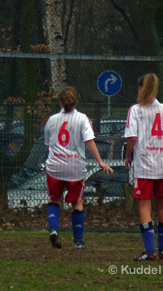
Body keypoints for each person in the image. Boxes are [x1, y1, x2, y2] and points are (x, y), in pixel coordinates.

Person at [44, 86, 113, 249]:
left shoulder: (52, 120)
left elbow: (48, 144)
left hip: (55, 166)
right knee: (77, 202)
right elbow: (90, 141)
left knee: (54, 199)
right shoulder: (82, 118)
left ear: (60, 103)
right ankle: (78, 241)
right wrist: (100, 162)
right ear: (76, 102)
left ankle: (53, 230)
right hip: (75, 167)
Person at [124, 73, 163, 261]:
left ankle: (150, 251)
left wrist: (128, 155)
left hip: (145, 165)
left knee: (145, 207)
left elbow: (132, 138)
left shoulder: (136, 110)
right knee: (162, 205)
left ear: (140, 88)